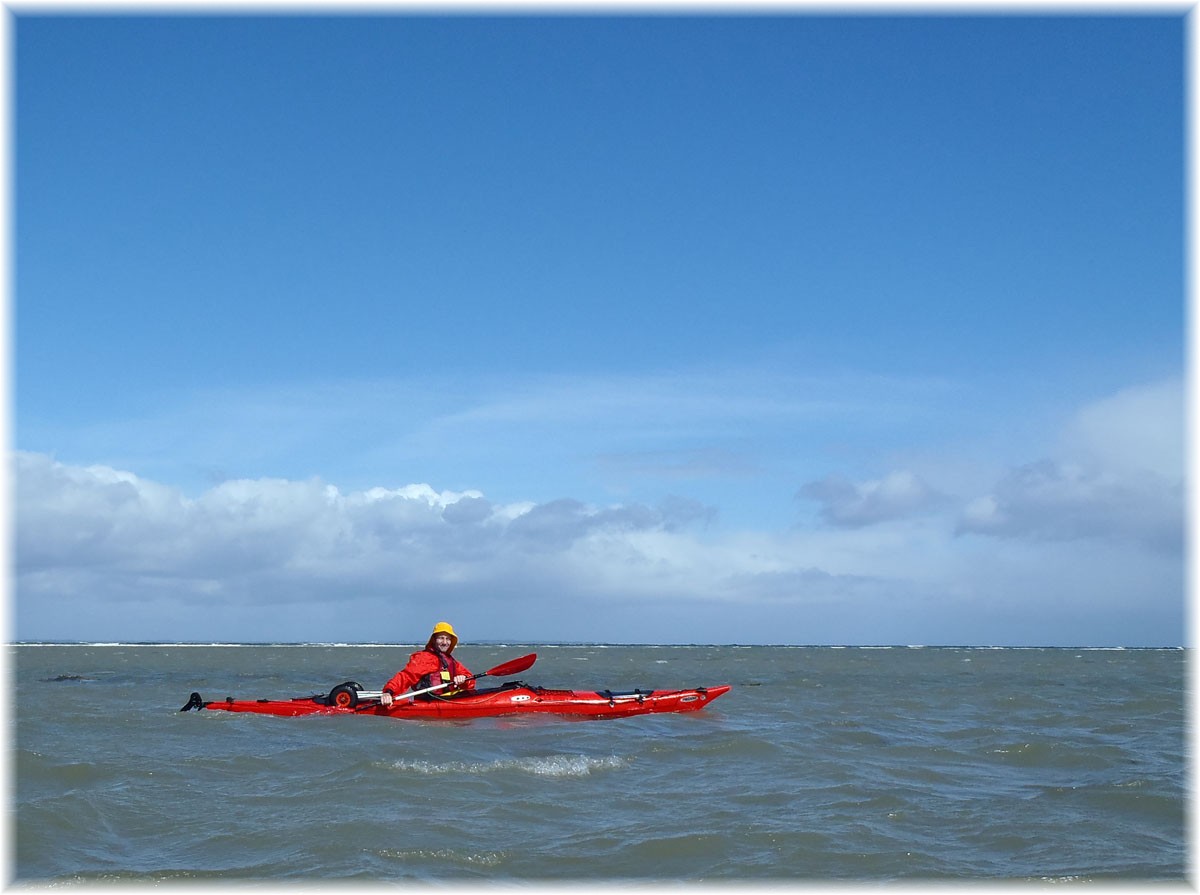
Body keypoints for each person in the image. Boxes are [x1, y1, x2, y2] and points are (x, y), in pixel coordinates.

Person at [380, 621, 475, 706]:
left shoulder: (450, 660)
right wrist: (389, 691)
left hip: (448, 699)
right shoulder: (425, 658)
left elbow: (471, 682)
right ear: (433, 640)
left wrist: (464, 679)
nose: (445, 642)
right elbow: (406, 676)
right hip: (429, 702)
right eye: (441, 638)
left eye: (448, 639)